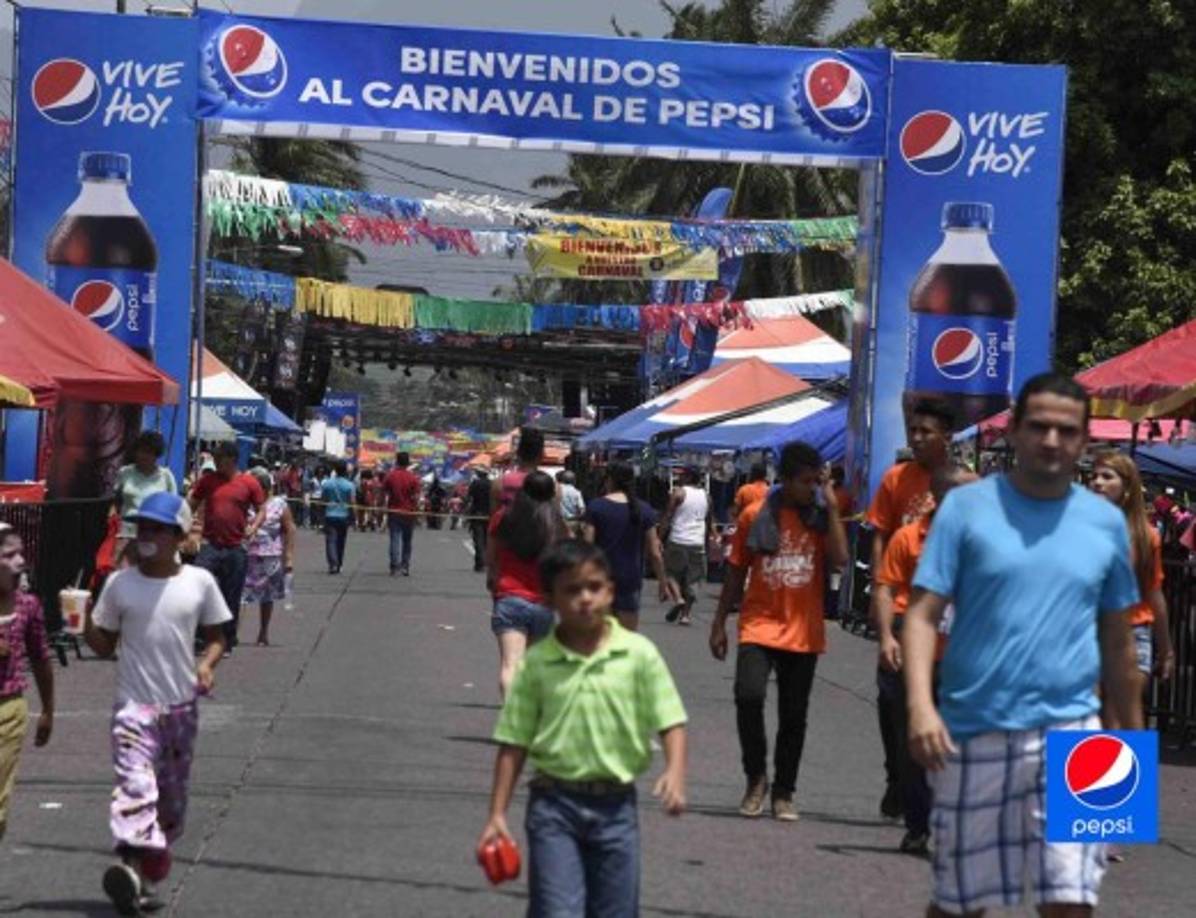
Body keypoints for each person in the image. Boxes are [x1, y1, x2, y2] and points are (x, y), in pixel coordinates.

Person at [903, 373, 1143, 917]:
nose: (1051, 441)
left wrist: (1133, 747)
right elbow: (921, 615)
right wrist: (920, 707)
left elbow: (1118, 641)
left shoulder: (1105, 524)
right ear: (1013, 431)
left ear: (1083, 441)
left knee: (1072, 900)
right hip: (975, 729)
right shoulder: (966, 510)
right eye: (1038, 427)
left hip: (1077, 735)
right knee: (963, 902)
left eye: (1066, 430)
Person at [477, 540, 687, 916]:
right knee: (557, 911)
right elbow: (513, 744)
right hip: (554, 806)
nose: (585, 598)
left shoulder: (638, 653)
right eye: (572, 590)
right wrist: (497, 814)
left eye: (594, 587)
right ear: (550, 599)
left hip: (616, 809)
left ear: (610, 590)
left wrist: (674, 772)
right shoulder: (538, 664)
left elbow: (670, 720)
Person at [84, 492, 231, 915]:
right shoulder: (120, 584)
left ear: (178, 535)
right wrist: (83, 622)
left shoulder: (198, 583)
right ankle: (132, 866)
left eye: (156, 528)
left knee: (169, 804)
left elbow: (219, 637)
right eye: (142, 527)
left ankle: (143, 877)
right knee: (136, 788)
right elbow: (103, 644)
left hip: (180, 709)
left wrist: (207, 664)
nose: (146, 535)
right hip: (133, 708)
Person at [709, 442, 848, 821]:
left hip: (803, 631)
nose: (811, 489)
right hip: (759, 625)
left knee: (793, 715)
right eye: (805, 482)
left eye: (815, 481)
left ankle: (784, 791)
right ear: (784, 480)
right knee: (748, 696)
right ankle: (756, 778)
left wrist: (833, 508)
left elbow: (840, 560)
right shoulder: (755, 515)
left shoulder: (820, 516)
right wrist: (719, 622)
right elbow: (736, 571)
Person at [874, 463, 976, 856]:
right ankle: (919, 825)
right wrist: (885, 637)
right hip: (917, 656)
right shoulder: (909, 538)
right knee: (914, 747)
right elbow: (885, 590)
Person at [866, 398, 952, 819]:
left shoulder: (963, 481)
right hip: (903, 605)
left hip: (951, 622)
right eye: (913, 431)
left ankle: (1110, 828)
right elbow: (882, 533)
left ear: (947, 438)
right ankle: (899, 778)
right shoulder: (897, 478)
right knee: (892, 703)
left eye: (925, 432)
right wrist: (877, 591)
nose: (916, 438)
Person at [1090, 451, 1176, 694]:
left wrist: (1166, 650)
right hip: (1087, 635)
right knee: (1084, 724)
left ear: (1127, 487)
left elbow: (1154, 595)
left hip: (1132, 635)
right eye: (1094, 476)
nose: (1097, 481)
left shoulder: (1147, 536)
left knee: (1120, 726)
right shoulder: (1079, 529)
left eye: (1107, 476)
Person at [485, 471, 568, 699]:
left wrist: (494, 577)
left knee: (510, 664)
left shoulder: (503, 517)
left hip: (509, 596)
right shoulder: (556, 524)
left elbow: (490, 558)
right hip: (543, 602)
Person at [0, 523, 54, 844]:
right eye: (9, 555)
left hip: (8, 712)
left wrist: (48, 709)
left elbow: (41, 659)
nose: (20, 561)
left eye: (21, 553)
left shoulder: (27, 606)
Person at [582, 461, 676, 631]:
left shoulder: (596, 507)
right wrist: (663, 581)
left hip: (600, 578)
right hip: (630, 579)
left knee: (599, 638)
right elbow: (654, 552)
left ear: (609, 480)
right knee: (627, 640)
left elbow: (587, 548)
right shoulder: (644, 509)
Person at [189, 441, 264, 652]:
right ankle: (201, 637)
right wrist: (185, 529)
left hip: (236, 546)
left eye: (220, 458)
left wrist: (254, 526)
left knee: (231, 594)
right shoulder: (208, 481)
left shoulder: (249, 482)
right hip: (210, 545)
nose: (216, 462)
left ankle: (227, 639)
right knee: (199, 588)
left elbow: (261, 509)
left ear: (231, 459)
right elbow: (191, 504)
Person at [243, 468, 296, 646]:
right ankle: (233, 633)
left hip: (270, 555)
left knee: (266, 596)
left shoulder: (279, 504)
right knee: (240, 595)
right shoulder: (244, 503)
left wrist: (288, 556)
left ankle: (263, 632)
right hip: (246, 553)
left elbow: (289, 528)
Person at [113, 431, 178, 566]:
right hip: (127, 533)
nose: (144, 456)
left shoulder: (166, 476)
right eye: (141, 451)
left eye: (149, 452)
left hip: (155, 536)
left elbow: (174, 508)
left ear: (156, 454)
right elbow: (115, 501)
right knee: (123, 576)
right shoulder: (124, 473)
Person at [661, 467, 711, 626]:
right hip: (697, 542)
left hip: (678, 539)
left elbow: (668, 515)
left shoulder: (678, 493)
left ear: (688, 477)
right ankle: (685, 616)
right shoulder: (707, 497)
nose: (680, 477)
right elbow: (708, 521)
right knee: (693, 580)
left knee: (670, 573)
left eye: (682, 475)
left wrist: (659, 537)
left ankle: (678, 598)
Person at [383, 452, 421, 576]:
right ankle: (405, 566)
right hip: (409, 512)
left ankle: (394, 566)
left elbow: (383, 493)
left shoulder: (390, 476)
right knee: (407, 541)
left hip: (394, 511)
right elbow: (416, 498)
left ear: (397, 461)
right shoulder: (413, 478)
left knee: (395, 539)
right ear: (408, 462)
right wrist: (416, 511)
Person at [493, 426, 544, 512]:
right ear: (541, 455)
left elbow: (495, 518)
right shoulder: (552, 486)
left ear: (518, 454)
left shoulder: (499, 483)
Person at [321, 460, 355, 575]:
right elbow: (352, 503)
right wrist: (353, 517)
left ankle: (333, 564)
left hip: (330, 515)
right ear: (345, 470)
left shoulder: (327, 484)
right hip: (343, 516)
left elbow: (323, 500)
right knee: (341, 541)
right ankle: (339, 563)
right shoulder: (350, 485)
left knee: (331, 541)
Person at [466, 467, 492, 573]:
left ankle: (480, 564)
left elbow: (469, 498)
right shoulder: (492, 484)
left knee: (478, 540)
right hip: (489, 515)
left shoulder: (475, 483)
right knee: (486, 540)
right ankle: (484, 563)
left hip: (476, 514)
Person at [556, 470, 586, 535]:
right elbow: (582, 510)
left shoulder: (556, 490)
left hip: (559, 522)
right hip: (573, 522)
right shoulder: (577, 492)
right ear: (574, 481)